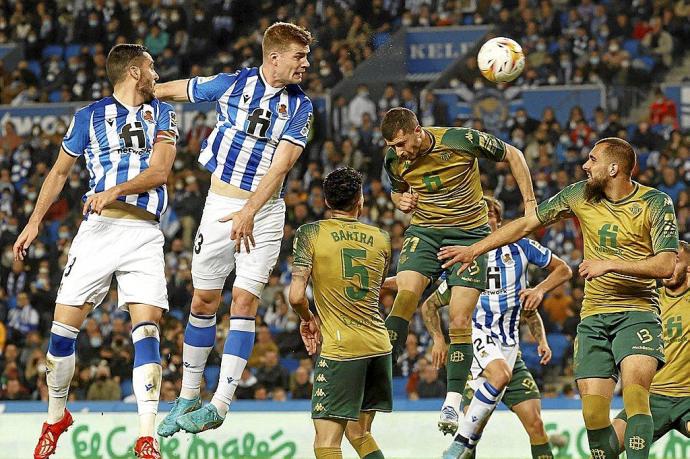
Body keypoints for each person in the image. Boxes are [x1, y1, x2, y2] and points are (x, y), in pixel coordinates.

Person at [439, 137, 679, 459]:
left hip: (637, 311)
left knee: (636, 397)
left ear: (613, 168)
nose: (584, 165)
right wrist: (474, 249)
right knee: (594, 417)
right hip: (594, 317)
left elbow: (665, 265)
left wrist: (610, 264)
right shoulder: (579, 194)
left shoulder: (656, 202)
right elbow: (526, 224)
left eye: (592, 160)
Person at [13, 44, 178, 459]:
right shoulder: (88, 117)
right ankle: (55, 418)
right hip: (98, 232)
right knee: (61, 332)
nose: (157, 75)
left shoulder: (163, 113)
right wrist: (33, 222)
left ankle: (146, 437)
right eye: (152, 67)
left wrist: (115, 190)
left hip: (143, 233)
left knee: (147, 331)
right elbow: (59, 172)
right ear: (135, 72)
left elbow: (160, 172)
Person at [154, 22, 314, 435]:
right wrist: (141, 92)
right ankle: (188, 395)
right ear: (274, 57)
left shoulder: (301, 107)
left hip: (263, 212)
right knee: (204, 301)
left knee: (243, 301)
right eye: (299, 56)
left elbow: (281, 168)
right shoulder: (234, 84)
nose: (306, 64)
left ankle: (220, 405)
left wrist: (250, 211)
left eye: (306, 57)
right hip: (219, 205)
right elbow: (185, 88)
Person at [380, 107, 536, 438]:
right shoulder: (395, 160)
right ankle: (376, 376)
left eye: (403, 143)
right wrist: (400, 200)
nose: (400, 151)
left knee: (460, 318)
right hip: (425, 232)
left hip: (470, 234)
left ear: (418, 131)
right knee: (405, 296)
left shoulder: (459, 140)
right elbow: (396, 189)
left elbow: (515, 154)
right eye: (394, 146)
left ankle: (452, 401)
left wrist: (530, 204)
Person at [421, 197, 571, 459]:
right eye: (480, 214)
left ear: (498, 221)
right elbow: (431, 303)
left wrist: (539, 291)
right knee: (475, 423)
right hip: (477, 339)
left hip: (510, 348)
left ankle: (463, 440)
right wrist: (438, 339)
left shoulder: (521, 246)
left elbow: (562, 271)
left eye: (490, 214)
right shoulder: (462, 255)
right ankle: (461, 441)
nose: (486, 219)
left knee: (535, 424)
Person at [289, 167, 392, 459]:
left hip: (341, 348)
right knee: (360, 433)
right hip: (378, 345)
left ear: (326, 201)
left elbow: (296, 296)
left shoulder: (311, 233)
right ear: (360, 200)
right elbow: (378, 285)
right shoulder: (382, 238)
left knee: (326, 442)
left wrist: (308, 319)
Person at [612, 241, 690, 449]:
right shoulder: (648, 301)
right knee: (606, 446)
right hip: (651, 399)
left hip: (687, 399)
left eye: (676, 261)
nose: (668, 268)